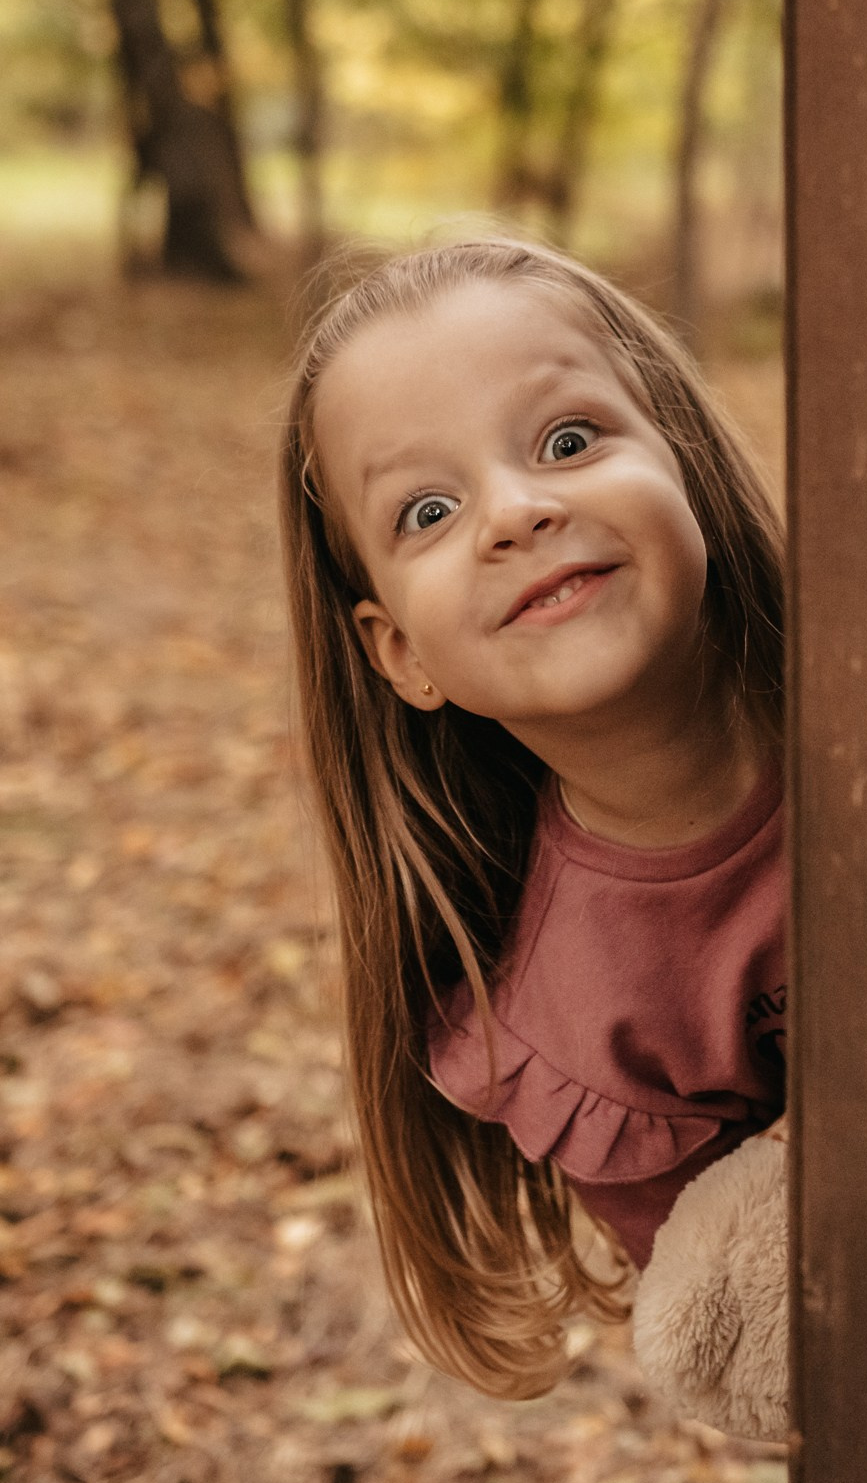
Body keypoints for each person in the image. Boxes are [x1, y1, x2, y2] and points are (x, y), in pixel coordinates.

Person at [279, 237, 785, 1401]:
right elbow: (750, 1346)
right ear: (401, 652)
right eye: (429, 510)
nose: (514, 513)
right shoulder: (579, 1028)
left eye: (567, 442)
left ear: (685, 462)